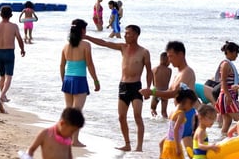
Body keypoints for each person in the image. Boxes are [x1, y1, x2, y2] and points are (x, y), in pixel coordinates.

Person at [85, 24, 152, 152]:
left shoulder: (144, 52)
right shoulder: (123, 47)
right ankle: (127, 144)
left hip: (136, 87)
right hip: (123, 86)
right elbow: (104, 43)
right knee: (121, 117)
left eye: (129, 33)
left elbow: (149, 71)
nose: (126, 35)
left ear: (136, 35)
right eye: (125, 33)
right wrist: (87, 37)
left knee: (137, 115)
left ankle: (139, 146)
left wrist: (148, 88)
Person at [141, 41, 198, 159]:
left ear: (181, 54)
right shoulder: (178, 72)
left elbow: (174, 93)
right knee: (174, 148)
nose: (170, 60)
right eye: (168, 56)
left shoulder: (187, 72)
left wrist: (152, 92)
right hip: (180, 117)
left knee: (191, 153)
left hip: (186, 117)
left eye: (172, 56)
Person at [60, 19, 100, 146]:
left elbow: (62, 65)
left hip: (67, 78)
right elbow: (90, 64)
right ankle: (74, 140)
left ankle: (65, 137)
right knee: (76, 112)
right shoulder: (86, 45)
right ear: (82, 30)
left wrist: (63, 81)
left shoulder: (66, 46)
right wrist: (96, 80)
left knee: (68, 110)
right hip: (79, 79)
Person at [159, 89, 197, 159]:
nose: (192, 107)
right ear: (186, 102)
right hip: (174, 144)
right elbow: (176, 130)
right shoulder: (181, 114)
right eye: (192, 104)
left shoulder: (173, 111)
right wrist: (177, 146)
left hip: (168, 142)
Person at [0, 5, 26, 102]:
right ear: (11, 15)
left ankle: (3, 96)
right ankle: (3, 94)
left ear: (0, 15)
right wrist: (22, 49)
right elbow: (19, 39)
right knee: (9, 76)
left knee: (2, 76)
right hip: (9, 52)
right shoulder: (14, 26)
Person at [212, 41, 239, 133]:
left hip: (227, 95)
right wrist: (228, 96)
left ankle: (222, 141)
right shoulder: (226, 64)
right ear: (229, 52)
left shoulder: (228, 64)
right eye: (236, 52)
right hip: (227, 96)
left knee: (227, 122)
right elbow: (223, 81)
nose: (237, 55)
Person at [149, 51, 172, 119]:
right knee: (164, 112)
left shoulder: (154, 69)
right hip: (165, 92)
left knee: (152, 109)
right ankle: (164, 124)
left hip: (156, 91)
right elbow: (167, 81)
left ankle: (156, 121)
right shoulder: (169, 70)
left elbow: (153, 83)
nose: (170, 63)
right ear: (166, 61)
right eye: (169, 61)